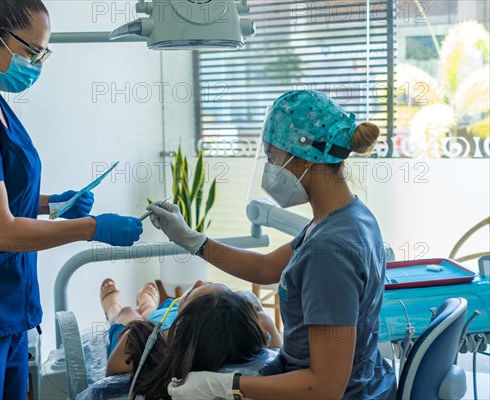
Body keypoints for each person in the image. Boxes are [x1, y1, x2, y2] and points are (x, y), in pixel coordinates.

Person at [0, 1, 143, 398]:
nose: (37, 64)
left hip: (6, 312)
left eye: (42, 53)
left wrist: (53, 204)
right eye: (33, 52)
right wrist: (91, 228)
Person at [148, 90, 397, 399]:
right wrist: (191, 239)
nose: (270, 167)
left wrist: (226, 386)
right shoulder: (348, 216)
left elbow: (324, 387)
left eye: (272, 157)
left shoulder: (330, 252)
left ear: (303, 154)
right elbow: (266, 268)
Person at [99, 279, 278, 399]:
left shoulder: (137, 341)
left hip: (156, 327)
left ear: (182, 326)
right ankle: (147, 302)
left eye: (196, 289)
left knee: (128, 313)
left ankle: (112, 308)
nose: (199, 281)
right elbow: (276, 358)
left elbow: (111, 388)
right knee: (154, 311)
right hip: (190, 321)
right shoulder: (262, 322)